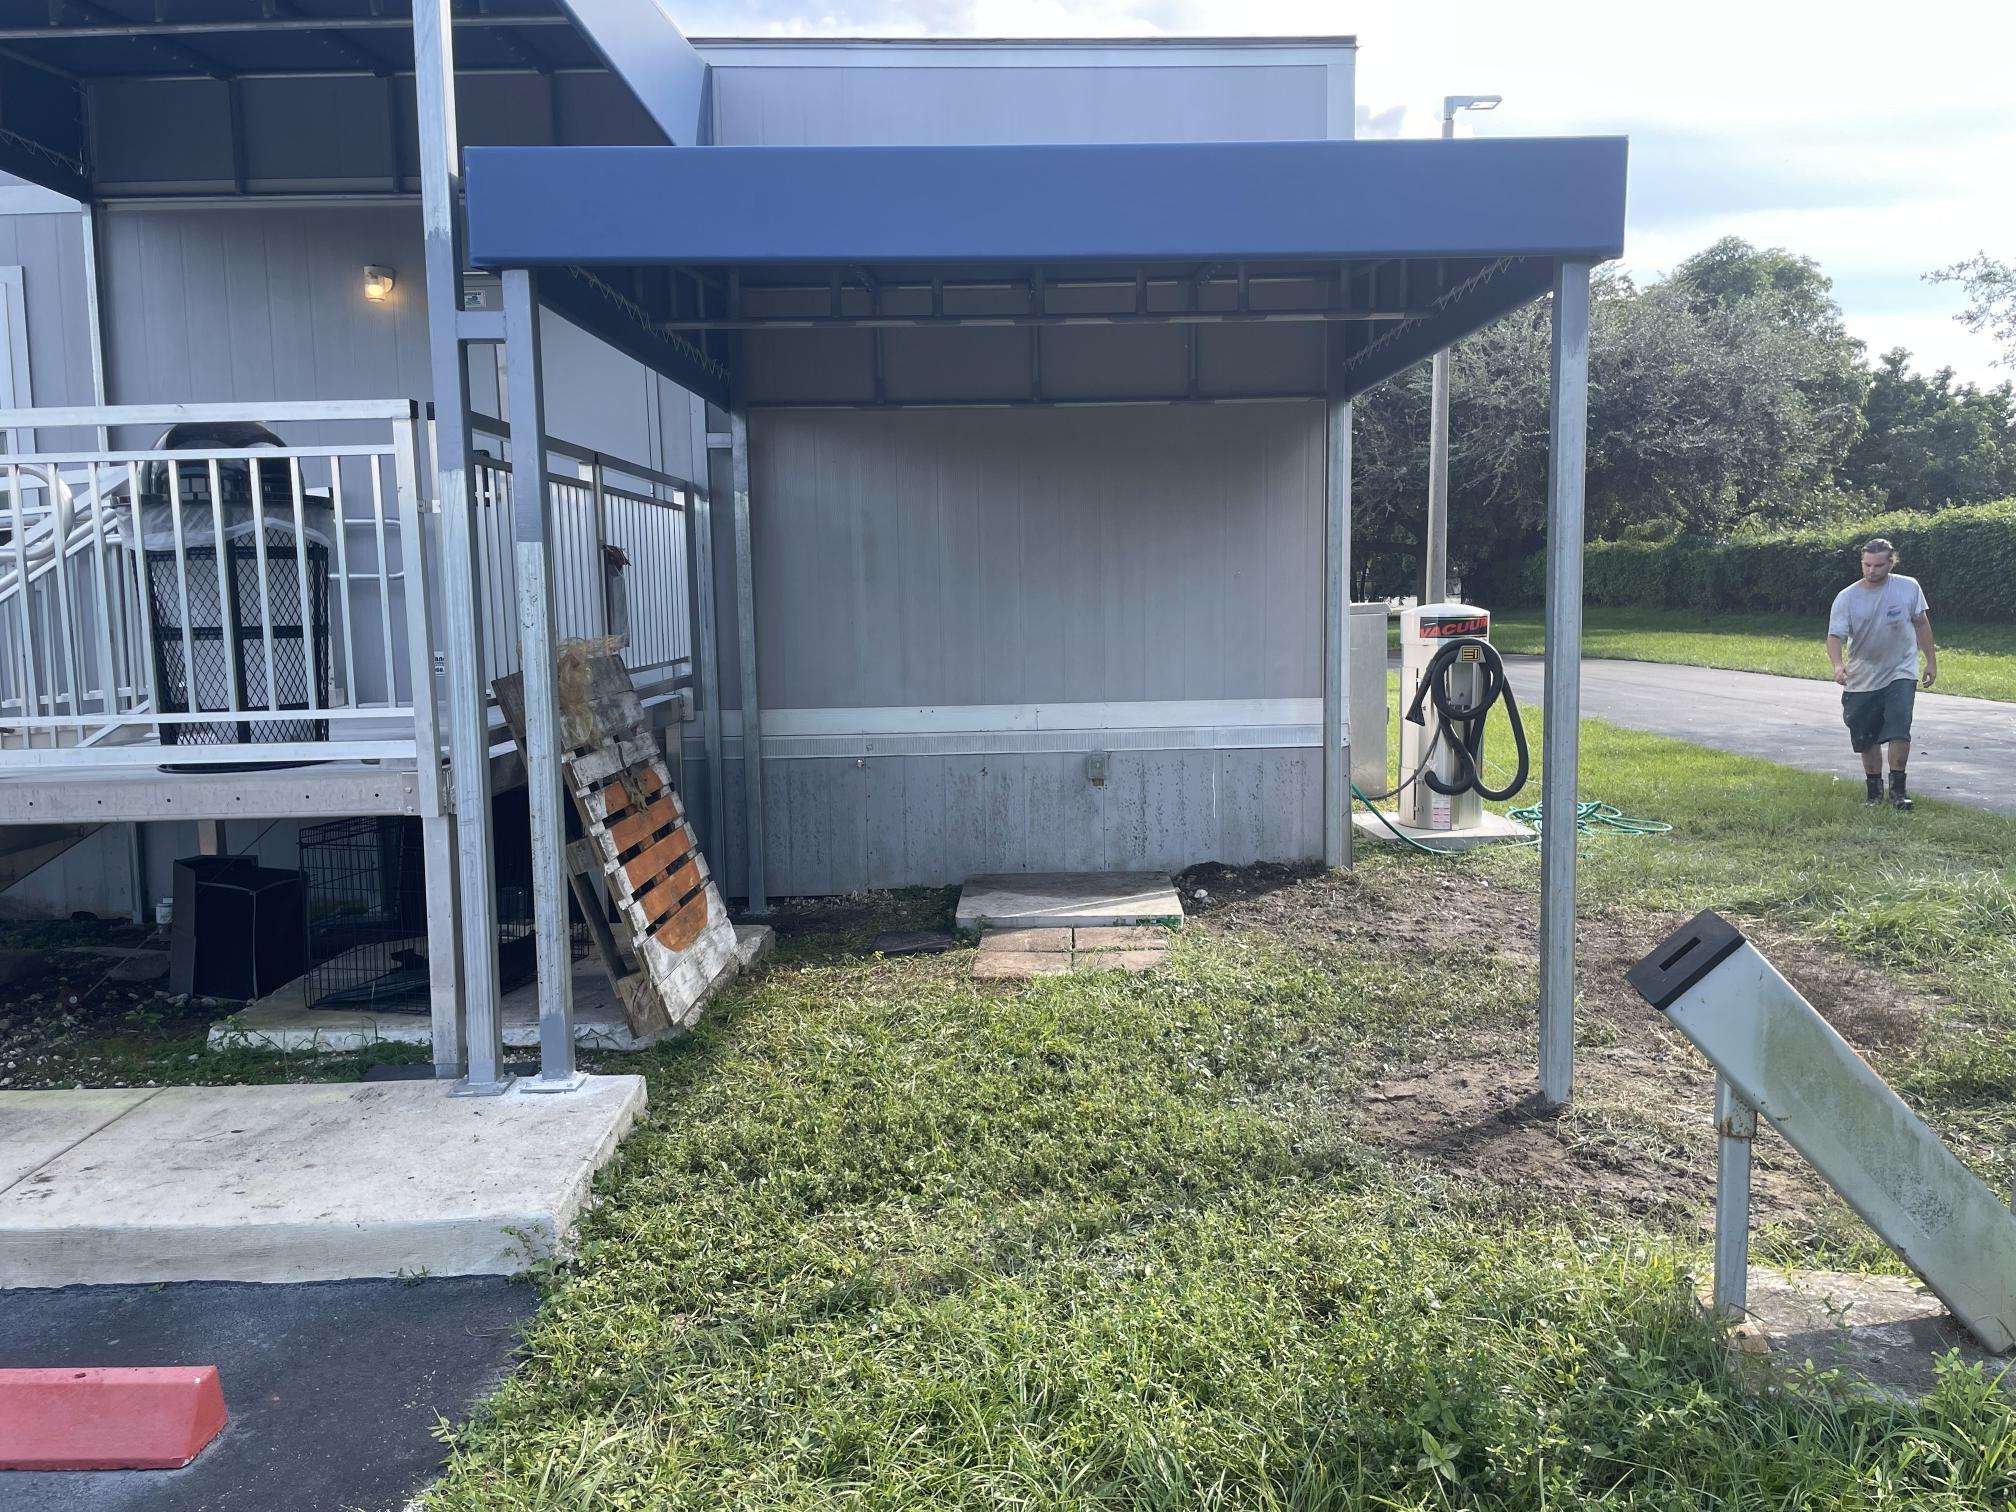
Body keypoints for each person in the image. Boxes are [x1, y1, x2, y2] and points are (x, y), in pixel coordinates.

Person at [1826, 538, 1936, 810]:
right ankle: (1874, 793)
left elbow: (1921, 624)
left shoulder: (1908, 587)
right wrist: (1838, 665)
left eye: (1877, 565)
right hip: (1862, 676)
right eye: (1866, 565)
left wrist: (1931, 662)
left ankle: (1899, 793)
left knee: (1900, 728)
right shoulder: (1847, 597)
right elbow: (1834, 636)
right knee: (1866, 736)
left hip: (1901, 670)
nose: (1871, 570)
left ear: (1891, 563)